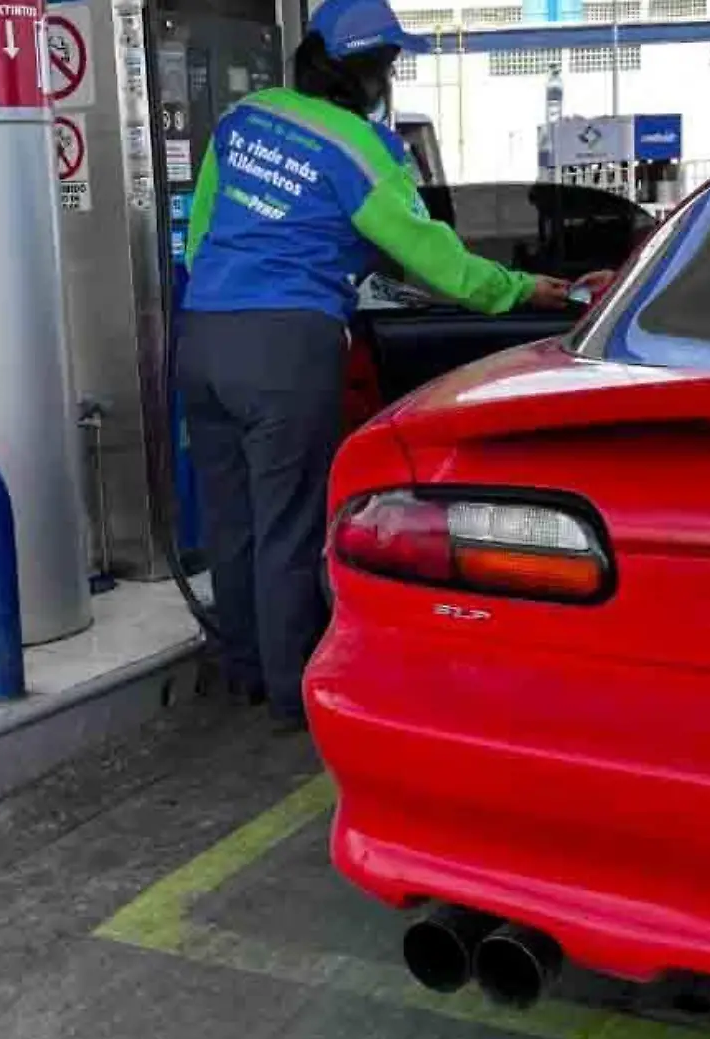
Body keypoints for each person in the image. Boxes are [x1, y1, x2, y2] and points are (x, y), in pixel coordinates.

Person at [178, 0, 606, 732]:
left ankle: (244, 671)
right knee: (287, 525)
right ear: (374, 71)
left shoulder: (242, 120)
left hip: (203, 336)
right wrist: (524, 290)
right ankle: (292, 697)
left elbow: (200, 233)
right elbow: (438, 264)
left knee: (232, 519)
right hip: (285, 345)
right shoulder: (365, 151)